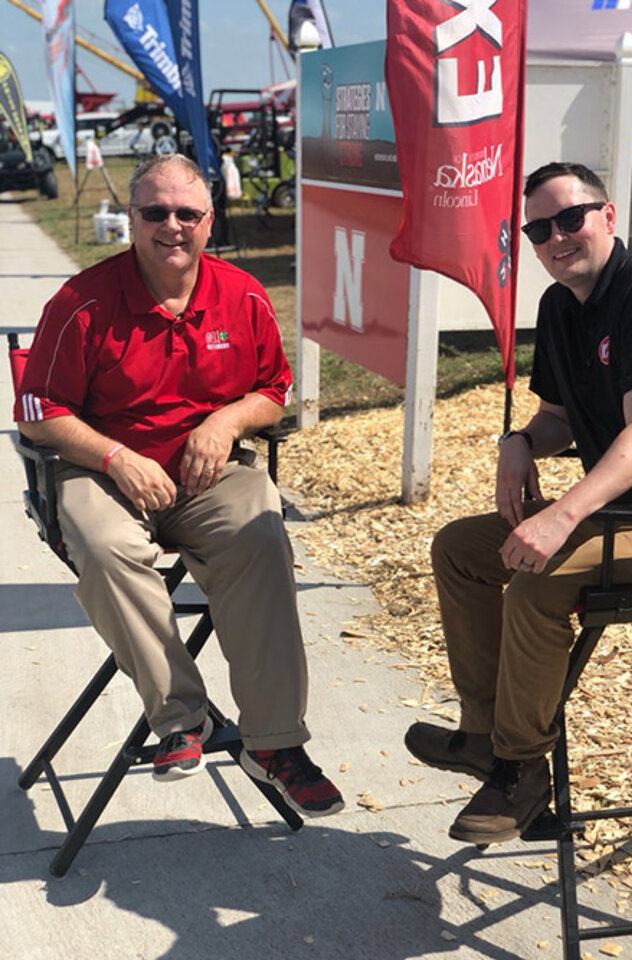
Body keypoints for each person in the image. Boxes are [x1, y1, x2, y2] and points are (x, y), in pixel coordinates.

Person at [14, 153, 344, 818]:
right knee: (107, 551)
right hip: (102, 474)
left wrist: (224, 423)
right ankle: (179, 720)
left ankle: (275, 744)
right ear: (131, 220)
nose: (172, 225)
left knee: (261, 535)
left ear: (209, 220)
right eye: (155, 212)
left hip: (208, 476)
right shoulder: (81, 303)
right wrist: (113, 457)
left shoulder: (242, 296)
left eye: (187, 213)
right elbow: (38, 410)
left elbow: (273, 392)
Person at [405, 161, 632, 845]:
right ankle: (485, 736)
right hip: (620, 515)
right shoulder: (558, 306)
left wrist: (562, 512)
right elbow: (559, 416)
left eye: (571, 218)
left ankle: (520, 771)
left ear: (610, 217)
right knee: (459, 550)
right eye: (539, 227)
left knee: (534, 580)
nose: (557, 237)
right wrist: (521, 439)